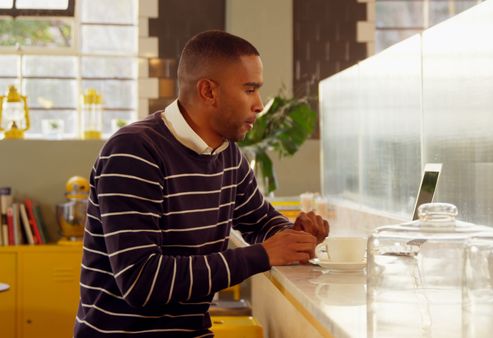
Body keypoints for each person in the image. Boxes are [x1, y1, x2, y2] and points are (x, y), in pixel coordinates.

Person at [74, 30, 329, 338]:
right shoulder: (134, 151)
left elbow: (258, 219)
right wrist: (263, 255)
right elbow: (141, 281)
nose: (260, 105)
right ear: (209, 91)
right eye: (250, 90)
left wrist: (294, 236)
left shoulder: (227, 154)